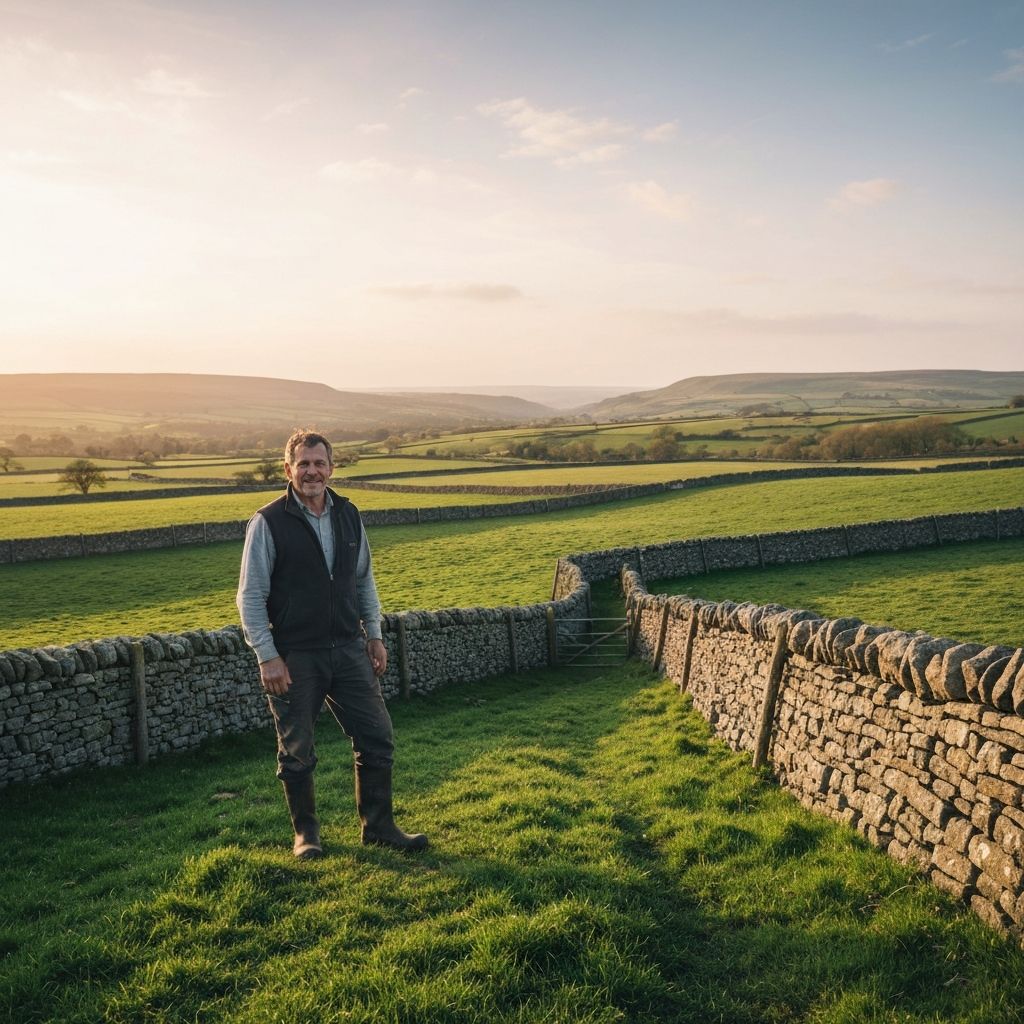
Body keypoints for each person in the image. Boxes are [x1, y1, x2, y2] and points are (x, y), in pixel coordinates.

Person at [236, 428, 427, 858]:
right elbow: (250, 595)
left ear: (331, 468)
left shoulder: (348, 514)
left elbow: (363, 580)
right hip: (295, 655)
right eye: (303, 464)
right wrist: (268, 656)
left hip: (347, 647)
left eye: (319, 463)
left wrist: (374, 634)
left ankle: (379, 827)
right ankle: (306, 835)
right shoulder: (268, 522)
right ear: (288, 470)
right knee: (297, 750)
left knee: (377, 738)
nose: (312, 472)